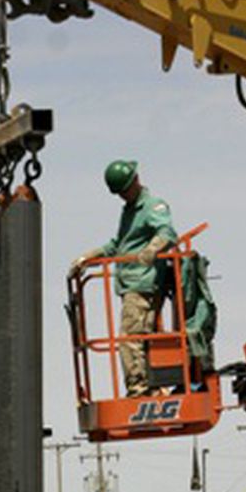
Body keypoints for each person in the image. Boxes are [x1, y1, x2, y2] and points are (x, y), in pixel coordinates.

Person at [69, 160, 177, 397]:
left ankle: (140, 388)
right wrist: (89, 257)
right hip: (130, 282)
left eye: (125, 190)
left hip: (142, 282)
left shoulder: (152, 206)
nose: (123, 196)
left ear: (135, 181)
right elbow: (120, 244)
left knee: (130, 338)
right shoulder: (129, 211)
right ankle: (151, 385)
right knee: (138, 337)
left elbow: (166, 232)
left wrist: (151, 250)